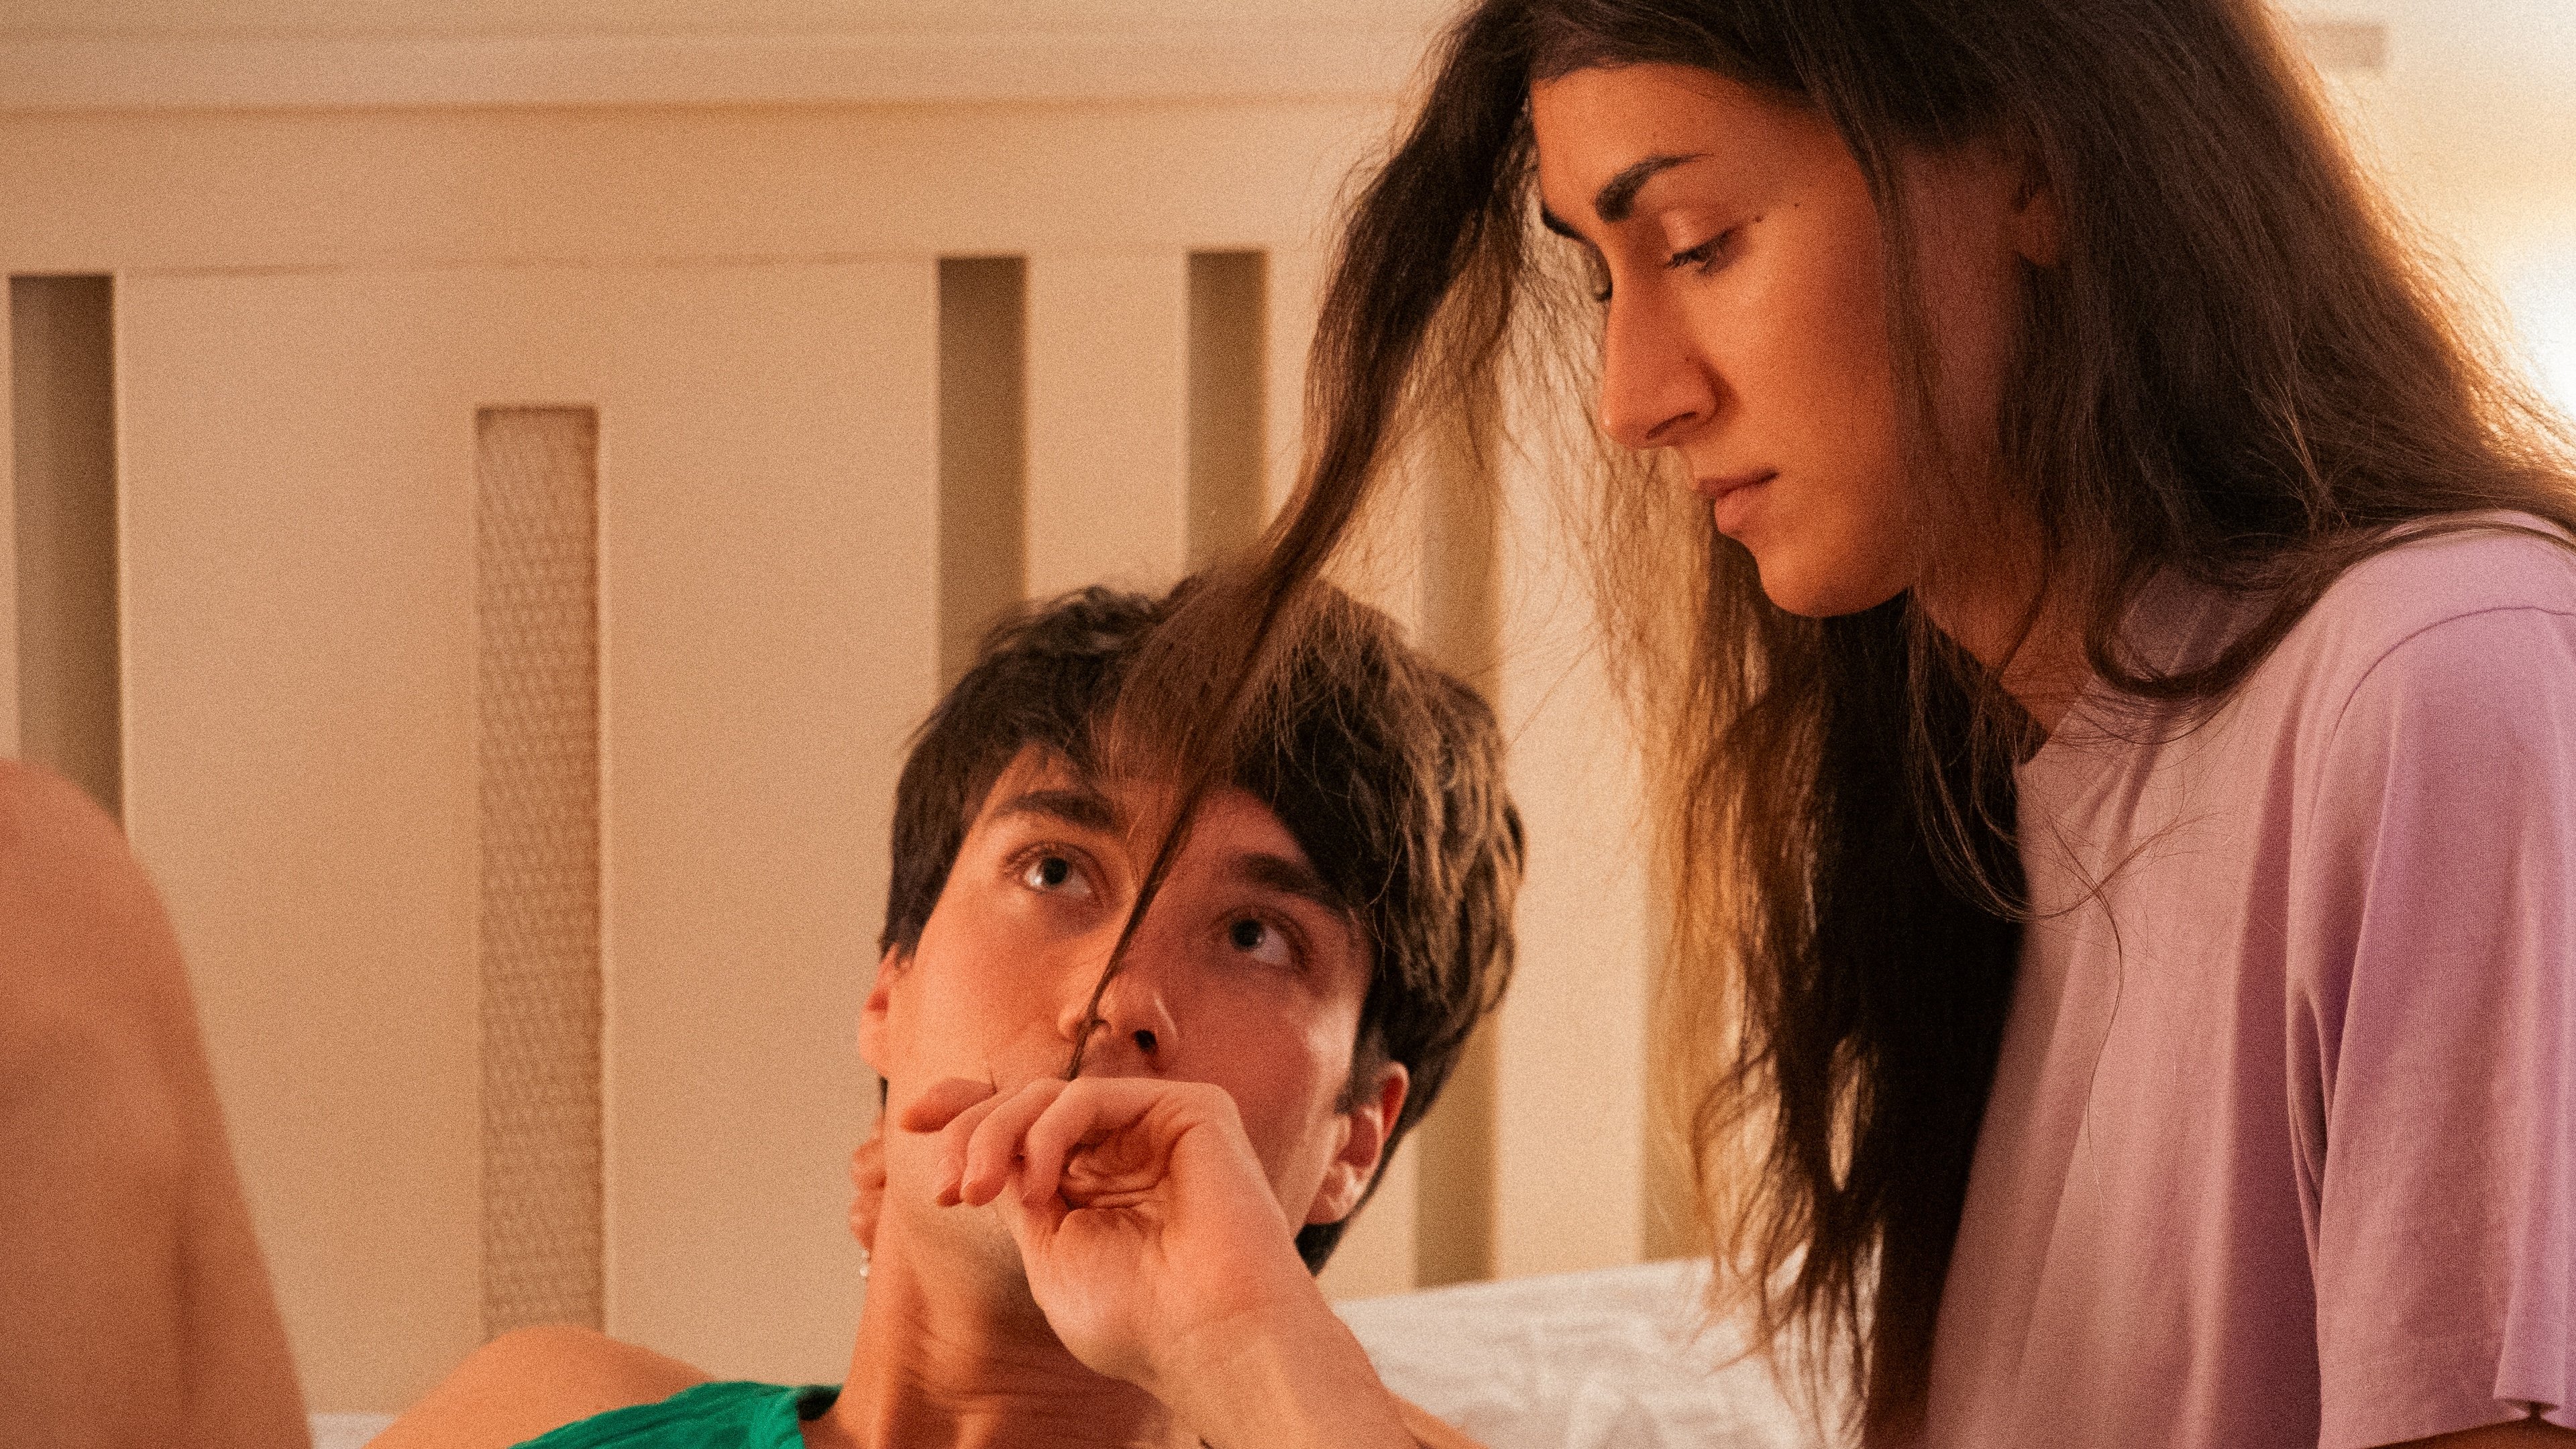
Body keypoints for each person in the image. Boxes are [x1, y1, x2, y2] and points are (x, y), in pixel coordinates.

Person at [914, 2, 2576, 1448]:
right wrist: (1239, 1341)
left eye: (1700, 243)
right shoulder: (1998, 823)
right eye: (1603, 281)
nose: (1636, 398)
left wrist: (1259, 1364)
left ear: (2039, 165)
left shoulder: (2445, 684)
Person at [354, 579, 1521, 1448]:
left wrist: (1239, 1351)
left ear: (1354, 1143)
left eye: (1254, 938)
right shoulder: (547, 1407)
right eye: (1055, 872)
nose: (1116, 997)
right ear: (889, 988)